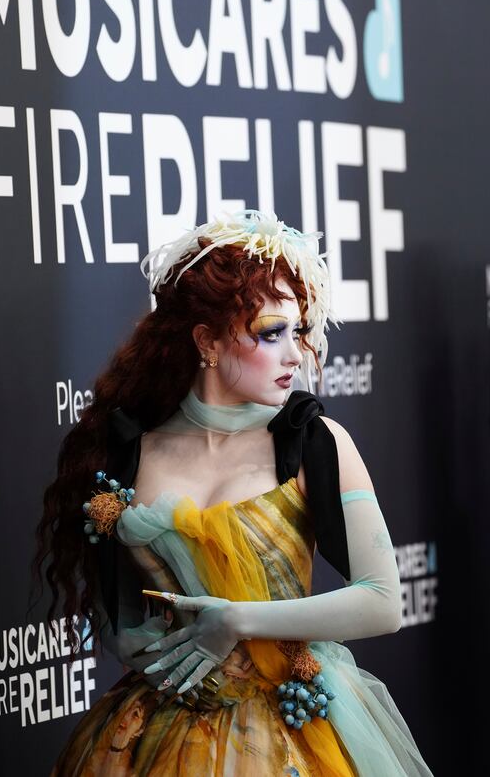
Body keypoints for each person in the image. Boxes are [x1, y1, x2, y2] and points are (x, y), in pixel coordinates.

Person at [33, 209, 432, 776]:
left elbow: (383, 601)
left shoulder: (312, 442)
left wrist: (238, 620)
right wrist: (144, 646)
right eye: (272, 333)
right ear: (208, 342)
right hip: (158, 735)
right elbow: (119, 619)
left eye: (298, 332)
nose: (295, 354)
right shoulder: (128, 452)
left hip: (298, 728)